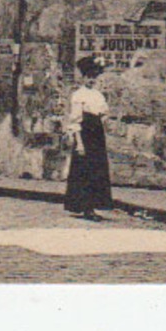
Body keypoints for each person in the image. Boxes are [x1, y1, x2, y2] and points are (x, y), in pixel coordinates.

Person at [63, 55, 112, 220]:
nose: (91, 80)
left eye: (94, 77)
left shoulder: (98, 95)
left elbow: (104, 113)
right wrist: (79, 143)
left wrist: (103, 122)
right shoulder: (78, 95)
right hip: (84, 134)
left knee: (97, 170)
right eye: (88, 77)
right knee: (84, 171)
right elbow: (75, 120)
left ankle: (95, 204)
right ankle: (85, 207)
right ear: (83, 77)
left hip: (97, 134)